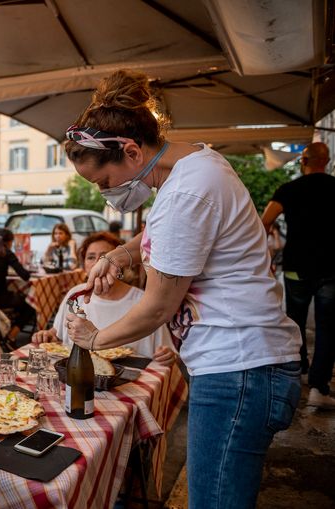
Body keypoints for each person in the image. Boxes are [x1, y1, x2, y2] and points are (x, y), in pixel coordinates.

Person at [62, 70, 301, 508]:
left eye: (104, 182)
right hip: (245, 365)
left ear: (131, 151)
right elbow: (163, 233)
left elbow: (156, 307)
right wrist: (119, 256)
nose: (106, 195)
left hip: (238, 368)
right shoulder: (195, 169)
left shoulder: (186, 192)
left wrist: (93, 339)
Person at [261, 141, 335, 408]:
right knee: (328, 327)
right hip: (331, 268)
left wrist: (264, 258)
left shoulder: (289, 190)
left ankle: (297, 371)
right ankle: (319, 387)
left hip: (296, 266)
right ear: (325, 162)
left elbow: (264, 223)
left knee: (295, 321)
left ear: (304, 161)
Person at [33, 232, 175, 364]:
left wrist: (167, 355)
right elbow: (56, 335)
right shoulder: (75, 295)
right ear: (84, 266)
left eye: (104, 257)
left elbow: (167, 351)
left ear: (120, 264)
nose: (98, 263)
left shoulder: (144, 301)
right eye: (90, 257)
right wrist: (47, 335)